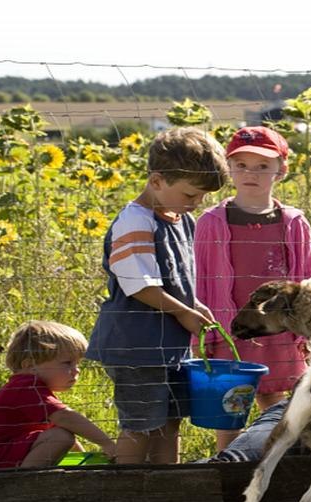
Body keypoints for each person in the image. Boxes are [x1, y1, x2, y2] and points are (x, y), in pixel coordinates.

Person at [86, 127, 228, 465]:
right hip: (137, 346)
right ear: (156, 181)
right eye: (190, 194)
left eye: (202, 196)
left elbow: (176, 279)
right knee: (141, 425)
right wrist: (183, 312)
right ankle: (126, 488)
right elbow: (140, 285)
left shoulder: (181, 219)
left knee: (170, 421)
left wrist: (193, 304)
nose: (197, 203)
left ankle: (167, 487)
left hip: (169, 346)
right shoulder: (135, 221)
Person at [194, 126, 311, 450]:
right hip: (229, 332)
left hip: (279, 331)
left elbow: (307, 280)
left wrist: (307, 331)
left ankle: (272, 462)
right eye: (242, 165)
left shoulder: (293, 222)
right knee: (228, 411)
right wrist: (202, 334)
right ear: (229, 168)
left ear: (281, 170)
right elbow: (201, 282)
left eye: (263, 165)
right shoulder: (211, 222)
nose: (251, 173)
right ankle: (226, 467)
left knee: (276, 405)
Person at [0, 321, 116, 469]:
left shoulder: (33, 391)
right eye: (67, 363)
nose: (76, 370)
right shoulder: (26, 387)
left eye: (77, 363)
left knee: (61, 434)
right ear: (30, 365)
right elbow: (65, 417)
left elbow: (67, 430)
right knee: (60, 437)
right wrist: (107, 444)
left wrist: (83, 461)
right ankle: (23, 481)